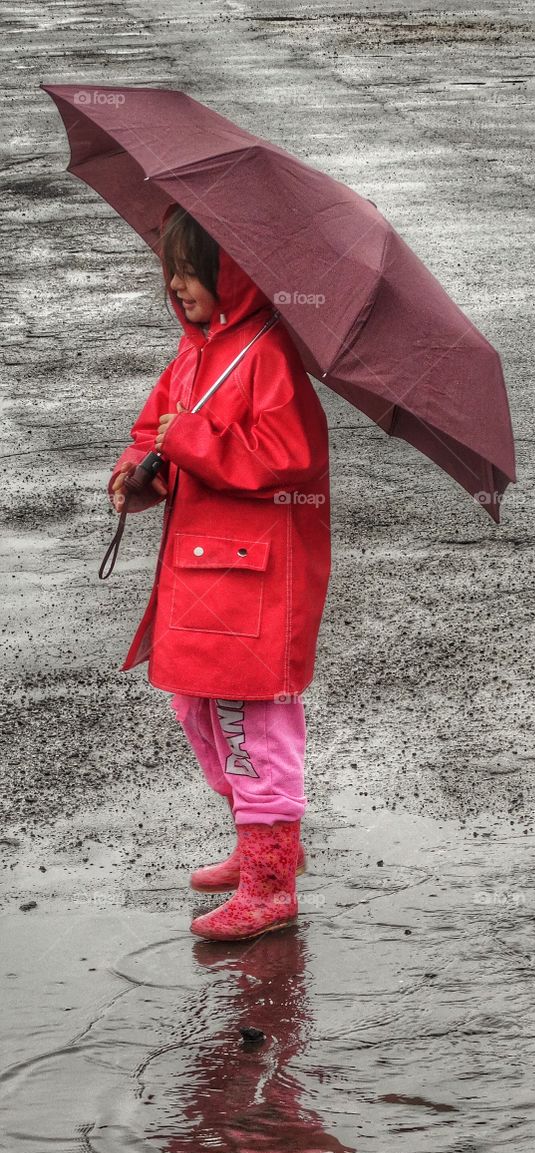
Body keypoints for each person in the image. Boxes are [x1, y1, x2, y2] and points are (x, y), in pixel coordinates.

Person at [107, 205, 331, 942]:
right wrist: (136, 475)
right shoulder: (197, 348)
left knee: (249, 720)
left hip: (252, 579)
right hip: (203, 571)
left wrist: (192, 440)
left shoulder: (265, 351)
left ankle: (271, 882)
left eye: (192, 269)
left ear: (229, 270)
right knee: (199, 709)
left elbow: (286, 456)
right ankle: (255, 846)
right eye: (169, 270)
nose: (178, 284)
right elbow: (155, 431)